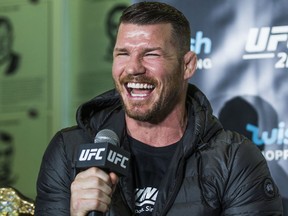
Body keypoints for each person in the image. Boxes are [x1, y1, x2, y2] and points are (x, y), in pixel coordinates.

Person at [35, 2, 283, 215]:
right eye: (123, 53)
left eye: (150, 54)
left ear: (187, 66)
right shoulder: (69, 150)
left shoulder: (234, 159)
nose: (133, 68)